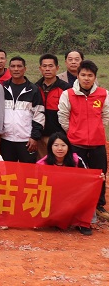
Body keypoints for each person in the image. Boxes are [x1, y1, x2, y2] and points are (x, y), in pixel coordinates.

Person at [58, 60, 109, 223]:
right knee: (77, 175)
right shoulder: (68, 94)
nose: (86, 78)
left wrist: (96, 129)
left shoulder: (104, 94)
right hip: (76, 142)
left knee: (99, 174)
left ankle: (99, 205)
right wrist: (73, 132)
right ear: (77, 76)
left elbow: (105, 116)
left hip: (98, 142)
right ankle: (77, 206)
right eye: (83, 75)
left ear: (94, 77)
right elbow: (63, 116)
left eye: (90, 75)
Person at [37, 131, 101, 235]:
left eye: (63, 145)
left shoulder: (77, 160)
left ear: (68, 147)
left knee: (89, 192)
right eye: (56, 145)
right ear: (50, 147)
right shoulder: (42, 164)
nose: (60, 149)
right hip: (53, 196)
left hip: (73, 195)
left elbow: (88, 178)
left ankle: (83, 223)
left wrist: (97, 178)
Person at [0, 56, 44, 163]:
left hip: (27, 140)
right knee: (8, 173)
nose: (16, 69)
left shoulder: (33, 90)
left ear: (25, 69)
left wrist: (34, 137)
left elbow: (39, 115)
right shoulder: (2, 88)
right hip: (6, 139)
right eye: (13, 66)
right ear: (8, 69)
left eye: (19, 66)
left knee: (28, 173)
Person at [35, 53, 70, 156]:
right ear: (40, 68)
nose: (47, 69)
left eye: (51, 66)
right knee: (41, 166)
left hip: (59, 136)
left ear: (57, 68)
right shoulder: (35, 88)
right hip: (40, 136)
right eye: (44, 66)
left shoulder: (66, 89)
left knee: (58, 165)